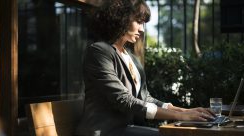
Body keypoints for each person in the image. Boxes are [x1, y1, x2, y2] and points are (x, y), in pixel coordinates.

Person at [76, 0, 214, 136]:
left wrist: (185, 111)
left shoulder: (130, 57)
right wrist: (180, 116)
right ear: (121, 19)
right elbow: (124, 100)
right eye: (139, 21)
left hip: (124, 129)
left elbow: (145, 97)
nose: (142, 29)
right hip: (103, 131)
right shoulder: (99, 51)